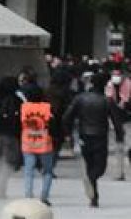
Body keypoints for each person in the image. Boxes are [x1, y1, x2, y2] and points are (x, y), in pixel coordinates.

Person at [63, 72, 125, 207]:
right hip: (100, 136)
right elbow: (116, 121)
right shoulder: (106, 101)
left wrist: (68, 132)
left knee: (89, 163)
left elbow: (67, 116)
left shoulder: (80, 98)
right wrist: (120, 136)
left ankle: (93, 195)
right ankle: (92, 180)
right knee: (100, 166)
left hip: (84, 135)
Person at [19, 90, 55, 204]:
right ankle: (44, 196)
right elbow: (53, 122)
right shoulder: (47, 107)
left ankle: (28, 195)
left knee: (29, 171)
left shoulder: (24, 107)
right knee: (48, 171)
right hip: (44, 143)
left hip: (27, 142)